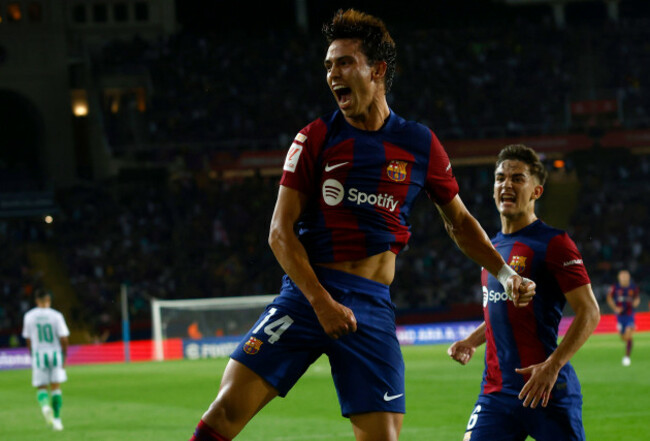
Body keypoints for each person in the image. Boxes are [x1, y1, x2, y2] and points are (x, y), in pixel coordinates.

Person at [189, 10, 535, 441]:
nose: (333, 74)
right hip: (305, 296)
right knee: (225, 411)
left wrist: (505, 273)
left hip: (371, 307)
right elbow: (279, 232)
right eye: (329, 66)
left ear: (378, 70)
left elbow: (460, 223)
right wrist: (320, 302)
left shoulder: (419, 143)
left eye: (345, 62)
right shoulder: (315, 137)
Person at [448, 144, 600, 441]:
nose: (506, 184)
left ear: (536, 192)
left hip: (547, 390)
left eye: (518, 178)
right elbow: (499, 309)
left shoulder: (554, 243)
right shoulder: (489, 250)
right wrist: (471, 341)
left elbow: (589, 311)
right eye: (500, 177)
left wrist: (552, 365)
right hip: (496, 394)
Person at [22, 288, 70, 431]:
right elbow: (64, 338)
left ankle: (45, 407)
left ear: (37, 301)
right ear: (48, 300)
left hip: (39, 354)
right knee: (55, 387)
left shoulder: (29, 316)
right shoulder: (56, 315)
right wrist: (64, 355)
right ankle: (57, 420)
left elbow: (28, 339)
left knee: (41, 386)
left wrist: (31, 353)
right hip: (55, 354)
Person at [606, 269, 640, 366]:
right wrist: (615, 307)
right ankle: (628, 335)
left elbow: (637, 298)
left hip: (629, 314)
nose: (624, 278)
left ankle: (627, 357)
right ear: (619, 278)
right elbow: (609, 298)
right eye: (622, 276)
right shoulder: (615, 287)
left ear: (629, 277)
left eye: (626, 276)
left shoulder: (633, 287)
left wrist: (636, 302)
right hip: (620, 316)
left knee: (629, 333)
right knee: (624, 338)